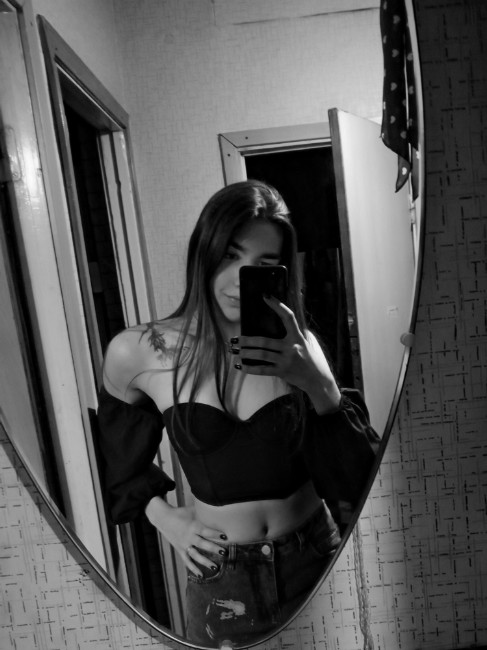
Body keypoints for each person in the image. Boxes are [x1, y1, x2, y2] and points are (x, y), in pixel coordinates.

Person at [97, 179, 379, 647]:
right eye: (230, 255)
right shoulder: (139, 351)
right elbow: (115, 455)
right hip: (223, 580)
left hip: (318, 558)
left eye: (264, 266)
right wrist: (165, 517)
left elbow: (363, 483)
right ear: (203, 251)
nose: (239, 279)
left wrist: (321, 385)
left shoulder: (297, 349)